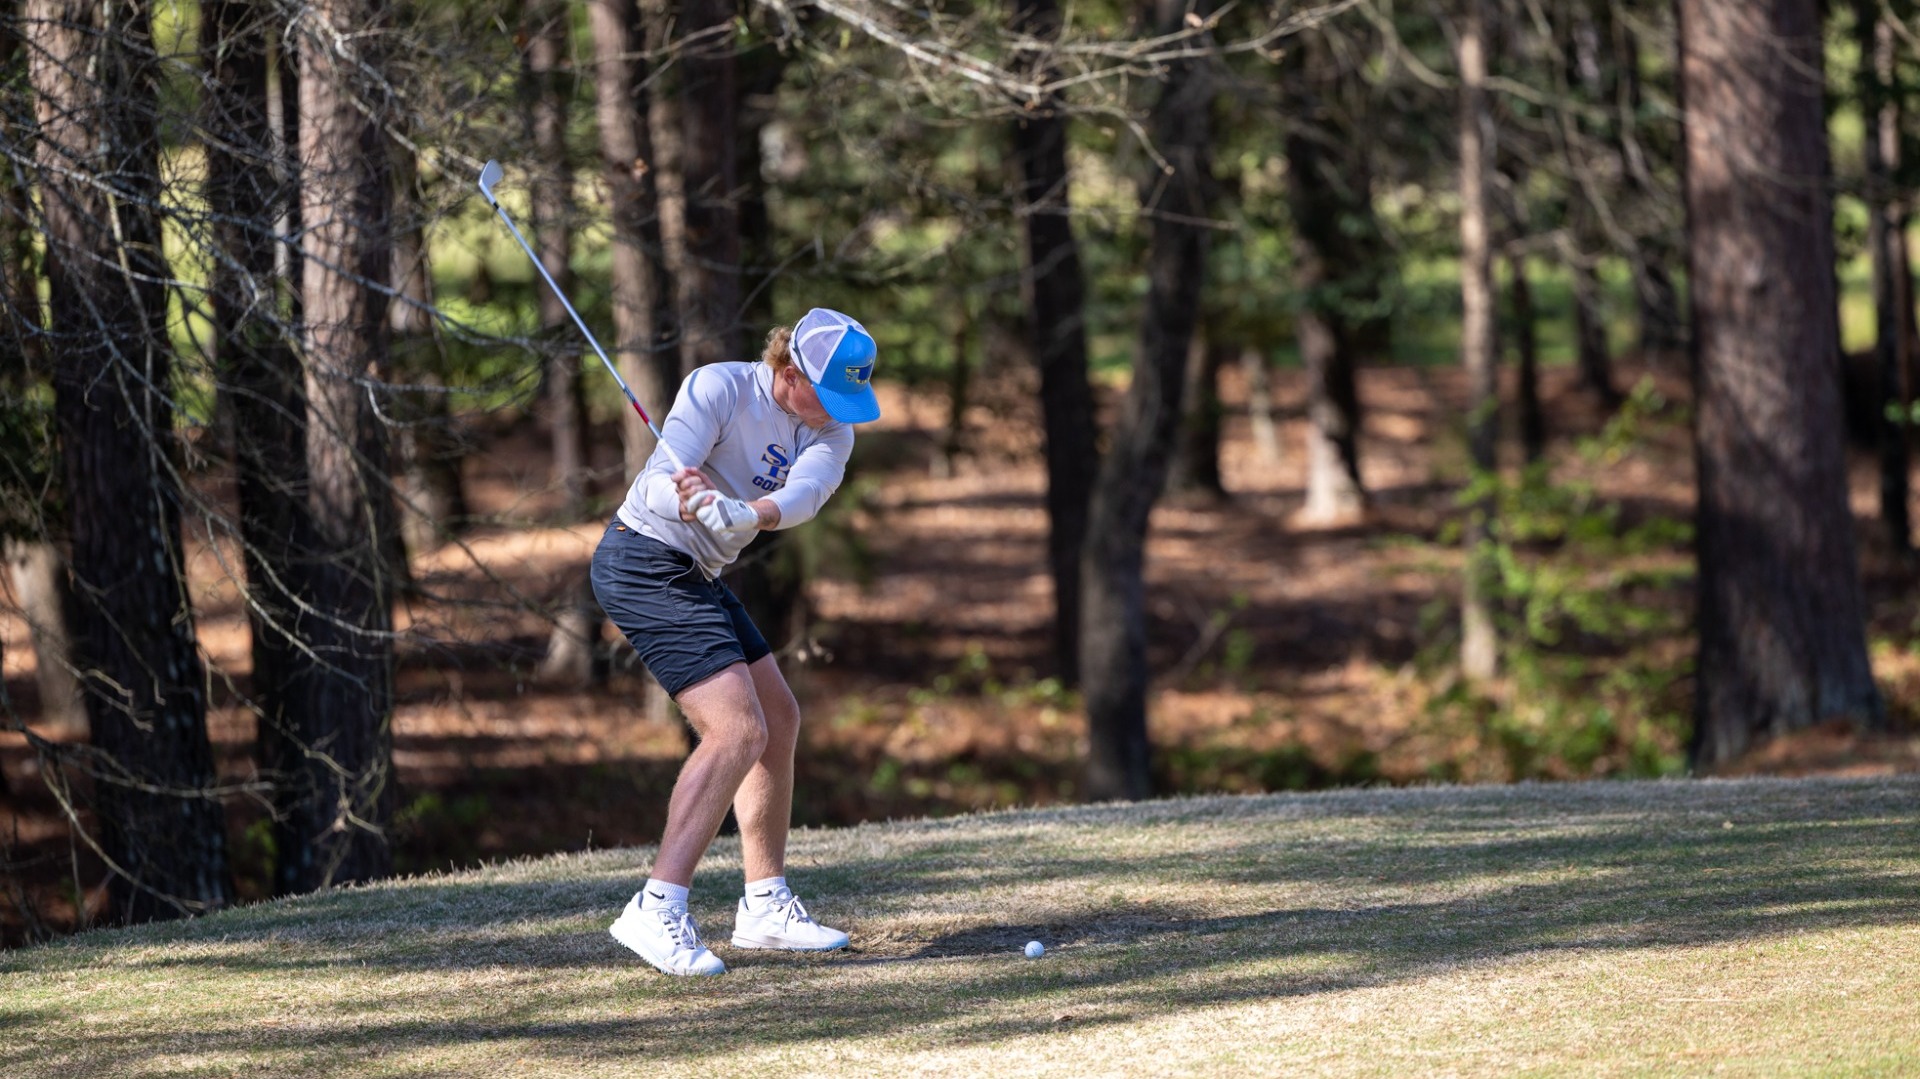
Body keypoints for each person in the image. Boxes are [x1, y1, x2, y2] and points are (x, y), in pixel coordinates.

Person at [593, 307, 880, 976]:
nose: (838, 411)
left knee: (777, 718)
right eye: (829, 393)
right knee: (736, 729)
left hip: (695, 572)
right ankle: (656, 905)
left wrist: (745, 511)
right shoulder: (718, 388)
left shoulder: (831, 431)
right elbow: (657, 486)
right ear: (787, 372)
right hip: (642, 559)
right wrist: (690, 499)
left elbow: (806, 494)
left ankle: (764, 906)